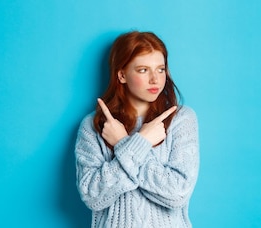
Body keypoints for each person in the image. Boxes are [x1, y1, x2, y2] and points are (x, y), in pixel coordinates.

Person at [74, 31, 200, 228]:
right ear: (122, 75)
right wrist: (141, 142)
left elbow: (178, 194)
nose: (155, 79)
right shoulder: (94, 125)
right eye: (143, 70)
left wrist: (124, 143)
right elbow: (92, 196)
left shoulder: (181, 119)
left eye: (160, 69)